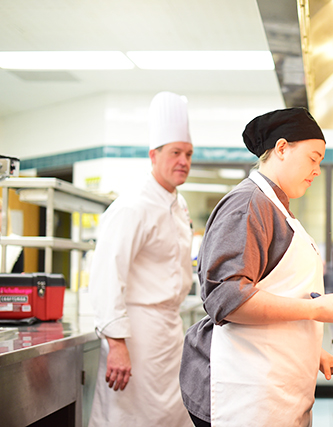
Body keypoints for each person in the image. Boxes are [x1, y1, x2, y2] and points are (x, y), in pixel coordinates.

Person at [180, 108, 333, 427]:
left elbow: (276, 289)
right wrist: (315, 310)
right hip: (245, 397)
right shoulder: (250, 205)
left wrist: (314, 355)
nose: (317, 170)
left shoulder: (277, 207)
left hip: (269, 387)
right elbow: (227, 299)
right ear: (282, 148)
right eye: (313, 158)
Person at [88, 91, 194, 427]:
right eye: (175, 152)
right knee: (129, 418)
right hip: (135, 333)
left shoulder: (179, 205)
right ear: (154, 155)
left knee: (170, 417)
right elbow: (106, 275)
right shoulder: (132, 206)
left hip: (168, 332)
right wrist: (116, 344)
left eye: (189, 154)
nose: (184, 161)